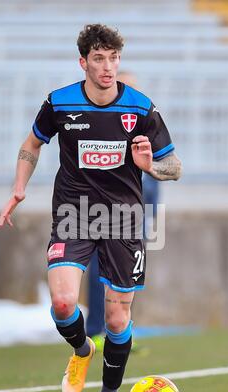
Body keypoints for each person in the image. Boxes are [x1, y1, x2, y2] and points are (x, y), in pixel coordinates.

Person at [0, 24, 181, 392]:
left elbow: (174, 166)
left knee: (118, 320)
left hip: (123, 220)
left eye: (114, 58)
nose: (108, 67)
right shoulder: (59, 103)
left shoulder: (141, 107)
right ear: (83, 62)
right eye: (99, 58)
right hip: (73, 215)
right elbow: (32, 144)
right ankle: (81, 350)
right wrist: (18, 187)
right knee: (63, 304)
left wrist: (151, 168)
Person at [86, 71, 160, 349]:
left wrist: (150, 220)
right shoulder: (101, 132)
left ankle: (121, 331)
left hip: (133, 220)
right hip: (99, 216)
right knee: (99, 273)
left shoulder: (146, 133)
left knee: (128, 277)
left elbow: (154, 181)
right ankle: (95, 329)